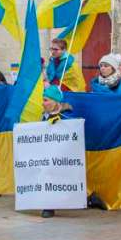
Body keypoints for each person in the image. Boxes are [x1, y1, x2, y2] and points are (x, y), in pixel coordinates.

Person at [39, 85, 74, 218]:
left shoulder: (68, 114)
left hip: (63, 155)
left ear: (55, 102)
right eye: (43, 100)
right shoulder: (44, 115)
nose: (43, 103)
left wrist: (58, 119)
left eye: (46, 100)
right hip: (48, 154)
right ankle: (48, 205)